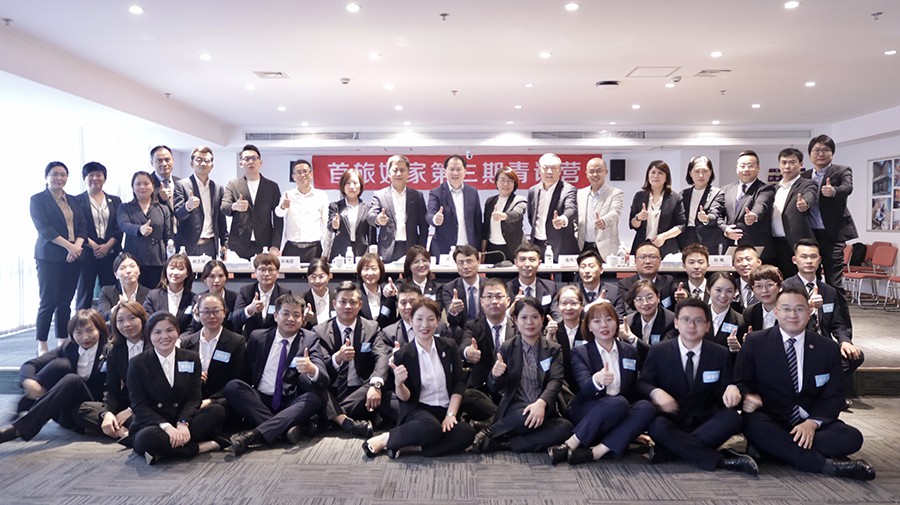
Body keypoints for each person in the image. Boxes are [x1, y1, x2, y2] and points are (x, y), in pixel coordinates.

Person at [735, 287, 874, 480]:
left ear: (809, 312)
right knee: (753, 424)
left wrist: (812, 423)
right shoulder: (755, 342)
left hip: (810, 422)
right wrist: (748, 396)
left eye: (799, 309)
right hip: (772, 419)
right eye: (786, 309)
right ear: (776, 312)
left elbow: (834, 395)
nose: (792, 315)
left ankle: (772, 450)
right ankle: (826, 466)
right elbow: (741, 382)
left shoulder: (827, 348)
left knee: (851, 437)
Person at [638, 298, 757, 474]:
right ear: (676, 323)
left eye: (698, 320)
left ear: (707, 326)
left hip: (706, 420)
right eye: (686, 319)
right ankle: (721, 460)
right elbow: (643, 382)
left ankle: (671, 450)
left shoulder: (720, 353)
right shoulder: (659, 351)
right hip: (672, 419)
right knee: (657, 426)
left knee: (733, 418)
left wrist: (731, 388)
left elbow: (725, 386)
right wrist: (656, 392)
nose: (691, 325)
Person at [362, 298, 475, 458]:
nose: (424, 325)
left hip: (445, 408)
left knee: (466, 433)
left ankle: (411, 447)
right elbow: (405, 398)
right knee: (430, 428)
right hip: (419, 410)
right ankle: (385, 438)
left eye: (430, 319)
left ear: (438, 321)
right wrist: (399, 383)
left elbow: (459, 383)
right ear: (411, 320)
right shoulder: (403, 354)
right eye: (419, 319)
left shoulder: (449, 346)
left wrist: (450, 414)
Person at [548, 301, 656, 465]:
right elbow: (584, 388)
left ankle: (595, 452)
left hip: (619, 409)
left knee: (646, 407)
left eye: (609, 319)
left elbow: (633, 389)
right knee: (617, 402)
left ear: (616, 323)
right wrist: (596, 380)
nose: (604, 325)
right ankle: (569, 445)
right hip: (587, 409)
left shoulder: (630, 351)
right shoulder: (580, 352)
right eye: (597, 321)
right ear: (589, 327)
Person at [225, 294, 328, 456]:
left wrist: (311, 369)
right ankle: (284, 429)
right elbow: (245, 372)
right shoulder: (258, 337)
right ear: (275, 316)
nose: (291, 319)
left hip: (289, 401)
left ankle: (252, 435)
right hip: (261, 399)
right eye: (286, 313)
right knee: (233, 387)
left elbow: (323, 377)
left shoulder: (309, 339)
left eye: (296, 315)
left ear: (302, 319)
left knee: (313, 399)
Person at [472, 297, 573, 454]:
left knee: (565, 428)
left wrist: (541, 403)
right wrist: (495, 375)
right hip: (516, 408)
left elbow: (555, 381)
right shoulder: (507, 347)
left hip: (544, 409)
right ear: (515, 320)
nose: (529, 322)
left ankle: (502, 442)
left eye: (535, 317)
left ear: (542, 319)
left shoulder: (553, 349)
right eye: (524, 317)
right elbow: (494, 387)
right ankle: (492, 432)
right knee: (525, 414)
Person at [128, 312, 227, 464]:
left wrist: (183, 423)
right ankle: (198, 448)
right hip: (155, 424)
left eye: (169, 330)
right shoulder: (137, 363)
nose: (164, 336)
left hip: (183, 419)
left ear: (177, 331)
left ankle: (164, 451)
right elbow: (139, 405)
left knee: (217, 411)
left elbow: (194, 398)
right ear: (149, 335)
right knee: (146, 439)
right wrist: (167, 427)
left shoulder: (191, 358)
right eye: (157, 332)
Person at [0, 310, 108, 445]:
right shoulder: (69, 347)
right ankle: (28, 406)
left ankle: (18, 429)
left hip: (89, 411)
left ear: (100, 330)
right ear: (72, 334)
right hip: (63, 411)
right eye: (78, 333)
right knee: (60, 365)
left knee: (72, 379)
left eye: (90, 330)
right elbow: (31, 364)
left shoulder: (109, 349)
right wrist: (29, 381)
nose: (85, 337)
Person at [784, 239, 862, 408]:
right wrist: (808, 307)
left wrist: (845, 341)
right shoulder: (786, 288)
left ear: (819, 260)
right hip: (798, 344)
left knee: (855, 356)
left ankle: (820, 393)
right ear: (794, 260)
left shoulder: (829, 291)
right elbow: (785, 322)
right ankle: (826, 396)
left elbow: (838, 324)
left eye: (813, 257)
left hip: (824, 345)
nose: (809, 261)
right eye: (804, 256)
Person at [313, 281, 390, 436]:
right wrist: (337, 359)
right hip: (332, 388)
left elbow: (382, 356)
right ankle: (346, 422)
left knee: (379, 382)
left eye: (353, 302)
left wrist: (375, 385)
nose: (347, 306)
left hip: (360, 388)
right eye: (342, 302)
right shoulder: (320, 331)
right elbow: (321, 368)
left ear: (360, 305)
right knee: (313, 383)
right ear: (334, 304)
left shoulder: (372, 328)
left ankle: (328, 418)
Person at [31, 161, 87, 354]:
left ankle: (62, 339)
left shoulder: (73, 200)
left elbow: (83, 226)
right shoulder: (38, 199)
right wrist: (70, 247)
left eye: (63, 174)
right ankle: (42, 342)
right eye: (54, 174)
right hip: (49, 256)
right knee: (48, 301)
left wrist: (76, 247)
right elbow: (45, 229)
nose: (59, 178)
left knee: (65, 301)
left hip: (74, 255)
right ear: (46, 176)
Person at [802, 134, 859, 292]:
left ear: (832, 153)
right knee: (811, 278)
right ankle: (815, 308)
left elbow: (847, 187)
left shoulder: (842, 170)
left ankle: (839, 309)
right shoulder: (804, 176)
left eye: (825, 150)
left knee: (834, 280)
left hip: (833, 234)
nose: (821, 153)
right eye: (816, 150)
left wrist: (833, 191)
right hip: (810, 234)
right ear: (810, 154)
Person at [460, 278, 515, 422]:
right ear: (482, 302)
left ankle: (493, 423)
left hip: (510, 389)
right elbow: (464, 344)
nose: (494, 301)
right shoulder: (473, 326)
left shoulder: (518, 327)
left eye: (499, 296)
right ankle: (505, 420)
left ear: (508, 301)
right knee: (466, 396)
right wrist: (468, 352)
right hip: (482, 390)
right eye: (489, 297)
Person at [179, 293, 247, 404]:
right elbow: (181, 377)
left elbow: (237, 379)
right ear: (198, 313)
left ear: (224, 313)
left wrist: (212, 400)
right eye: (206, 312)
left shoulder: (236, 341)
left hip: (222, 400)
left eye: (216, 311)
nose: (211, 316)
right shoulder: (186, 342)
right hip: (191, 399)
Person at [97, 301, 148, 443]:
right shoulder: (115, 350)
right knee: (92, 413)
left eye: (132, 318)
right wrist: (107, 413)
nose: (126, 324)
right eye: (120, 320)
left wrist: (131, 410)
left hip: (155, 403)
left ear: (142, 319)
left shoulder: (155, 344)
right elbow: (111, 388)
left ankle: (129, 435)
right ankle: (125, 433)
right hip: (128, 400)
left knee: (140, 421)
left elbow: (159, 387)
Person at [221, 144, 284, 260]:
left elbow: (278, 219)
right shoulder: (233, 184)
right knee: (239, 272)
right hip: (239, 243)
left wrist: (275, 245)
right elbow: (224, 208)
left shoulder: (272, 187)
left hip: (265, 243)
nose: (251, 162)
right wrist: (235, 206)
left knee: (265, 271)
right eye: (246, 159)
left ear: (260, 162)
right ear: (241, 163)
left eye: (254, 158)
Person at [74, 161, 122, 310]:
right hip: (87, 252)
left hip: (110, 252)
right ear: (84, 178)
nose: (95, 178)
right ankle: (81, 322)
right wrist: (94, 246)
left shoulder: (115, 200)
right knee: (84, 291)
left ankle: (110, 320)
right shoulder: (76, 201)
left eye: (99, 175)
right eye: (91, 175)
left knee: (110, 291)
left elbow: (119, 226)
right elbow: (77, 227)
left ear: (104, 178)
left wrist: (107, 246)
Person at [765, 148, 818, 278]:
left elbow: (810, 195)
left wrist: (805, 203)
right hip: (774, 244)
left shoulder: (807, 184)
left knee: (799, 282)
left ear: (801, 165)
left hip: (796, 244)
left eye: (792, 162)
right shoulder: (773, 188)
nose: (787, 166)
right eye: (784, 162)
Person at [367, 154, 429, 262]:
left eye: (402, 170)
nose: (399, 174)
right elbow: (370, 216)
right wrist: (378, 219)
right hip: (387, 249)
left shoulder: (417, 196)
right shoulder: (380, 195)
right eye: (395, 170)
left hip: (412, 248)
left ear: (408, 173)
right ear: (388, 173)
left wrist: (421, 249)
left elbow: (424, 225)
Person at [117, 170, 173, 288]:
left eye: (146, 183)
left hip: (157, 260)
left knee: (156, 293)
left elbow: (168, 235)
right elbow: (123, 225)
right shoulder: (125, 207)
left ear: (153, 187)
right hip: (134, 259)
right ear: (133, 188)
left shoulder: (163, 209)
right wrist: (139, 229)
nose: (142, 187)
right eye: (138, 184)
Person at [173, 146, 228, 258]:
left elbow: (221, 219)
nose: (203, 164)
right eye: (199, 160)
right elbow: (178, 214)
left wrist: (224, 243)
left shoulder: (217, 188)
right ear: (191, 164)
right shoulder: (181, 185)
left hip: (210, 244)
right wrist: (188, 206)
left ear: (212, 166)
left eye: (207, 161)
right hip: (188, 244)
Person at [426, 154, 483, 256]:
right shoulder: (436, 192)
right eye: (451, 169)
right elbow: (429, 214)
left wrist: (478, 249)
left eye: (459, 169)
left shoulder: (472, 192)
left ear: (465, 171)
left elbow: (477, 223)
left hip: (468, 248)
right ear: (445, 171)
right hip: (444, 248)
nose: (455, 173)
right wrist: (435, 219)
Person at [526, 153, 579, 261]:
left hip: (561, 246)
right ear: (540, 170)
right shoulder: (533, 190)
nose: (549, 171)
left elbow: (571, 209)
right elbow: (531, 217)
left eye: (554, 168)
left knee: (563, 273)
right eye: (545, 168)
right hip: (537, 245)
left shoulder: (568, 189)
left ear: (560, 170)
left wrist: (562, 220)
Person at [628, 160, 686, 258]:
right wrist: (638, 217)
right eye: (653, 172)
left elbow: (681, 225)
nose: (656, 176)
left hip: (666, 248)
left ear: (666, 177)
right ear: (648, 175)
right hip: (642, 246)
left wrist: (664, 236)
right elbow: (632, 224)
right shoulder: (639, 196)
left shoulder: (675, 198)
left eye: (660, 173)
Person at [719, 150, 775, 249]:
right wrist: (725, 229)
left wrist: (754, 215)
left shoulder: (766, 189)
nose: (746, 169)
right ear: (737, 169)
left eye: (750, 166)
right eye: (742, 166)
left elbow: (761, 205)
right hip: (730, 245)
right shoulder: (725, 189)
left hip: (755, 245)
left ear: (758, 168)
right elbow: (718, 215)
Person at [276, 159, 329, 261]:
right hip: (292, 247)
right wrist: (283, 206)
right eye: (298, 172)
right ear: (293, 177)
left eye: (305, 171)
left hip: (314, 248)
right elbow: (279, 213)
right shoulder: (288, 195)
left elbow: (325, 223)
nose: (302, 175)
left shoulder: (321, 196)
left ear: (311, 174)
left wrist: (326, 250)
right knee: (289, 272)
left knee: (315, 272)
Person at [231, 253, 293, 338]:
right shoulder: (246, 291)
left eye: (271, 270)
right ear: (255, 272)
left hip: (275, 339)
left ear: (277, 272)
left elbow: (288, 319)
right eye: (262, 269)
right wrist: (250, 309)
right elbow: (235, 319)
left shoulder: (284, 293)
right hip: (251, 340)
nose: (266, 274)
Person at [383, 282, 455, 348]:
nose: (408, 307)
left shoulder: (439, 327)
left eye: (412, 302)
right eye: (403, 303)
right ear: (397, 305)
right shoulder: (389, 333)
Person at [577, 158, 624, 259]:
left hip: (606, 248)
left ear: (606, 172)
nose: (595, 174)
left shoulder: (616, 193)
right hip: (583, 246)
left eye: (598, 171)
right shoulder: (580, 193)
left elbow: (616, 212)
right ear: (586, 174)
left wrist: (604, 221)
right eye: (591, 171)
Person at [678, 156, 726, 255]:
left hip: (708, 239)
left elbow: (715, 213)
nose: (701, 175)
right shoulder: (683, 194)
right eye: (697, 171)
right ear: (690, 173)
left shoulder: (717, 193)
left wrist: (706, 218)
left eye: (705, 171)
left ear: (710, 172)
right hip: (686, 237)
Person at [328, 168, 376, 261]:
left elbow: (371, 236)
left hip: (362, 253)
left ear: (360, 186)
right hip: (340, 253)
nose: (352, 186)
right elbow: (330, 226)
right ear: (342, 185)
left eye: (355, 183)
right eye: (348, 183)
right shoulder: (335, 206)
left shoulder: (368, 208)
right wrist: (334, 225)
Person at [481, 167, 527, 262]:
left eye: (510, 181)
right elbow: (485, 228)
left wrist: (504, 216)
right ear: (496, 182)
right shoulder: (490, 202)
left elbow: (517, 214)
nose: (506, 184)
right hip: (492, 249)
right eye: (502, 180)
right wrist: (482, 251)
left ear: (515, 184)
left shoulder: (519, 200)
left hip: (512, 249)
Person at [142, 253, 197, 333]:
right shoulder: (153, 296)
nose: (175, 272)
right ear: (166, 271)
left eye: (180, 269)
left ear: (187, 273)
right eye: (172, 268)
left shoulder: (193, 298)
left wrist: (180, 339)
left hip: (183, 340)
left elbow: (192, 326)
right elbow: (147, 321)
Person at [624, 280, 676, 363]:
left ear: (658, 297)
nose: (645, 303)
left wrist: (632, 339)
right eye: (639, 299)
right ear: (634, 302)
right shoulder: (629, 321)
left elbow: (660, 353)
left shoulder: (671, 320)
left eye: (649, 297)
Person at [617, 242, 676, 313]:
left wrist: (684, 294)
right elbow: (629, 310)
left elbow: (679, 293)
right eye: (642, 257)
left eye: (653, 257)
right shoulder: (625, 284)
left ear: (660, 262)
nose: (648, 261)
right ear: (635, 262)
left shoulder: (668, 281)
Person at [507, 242, 560, 320]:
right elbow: (498, 318)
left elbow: (557, 315)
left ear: (539, 263)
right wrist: (511, 310)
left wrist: (554, 324)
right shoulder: (506, 289)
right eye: (522, 259)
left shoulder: (551, 287)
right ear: (516, 262)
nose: (527, 264)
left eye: (532, 260)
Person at [551, 285, 587, 399]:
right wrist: (549, 337)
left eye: (573, 303)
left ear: (582, 305)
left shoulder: (590, 330)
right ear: (558, 306)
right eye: (563, 303)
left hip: (586, 384)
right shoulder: (553, 330)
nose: (568, 307)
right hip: (560, 388)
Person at [440, 245, 484, 331]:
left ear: (478, 262)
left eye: (469, 261)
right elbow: (452, 321)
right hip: (462, 331)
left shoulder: (489, 285)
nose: (465, 266)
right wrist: (453, 311)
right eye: (460, 263)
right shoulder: (449, 288)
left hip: (485, 330)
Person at [704, 272, 748, 355]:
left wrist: (737, 349)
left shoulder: (741, 321)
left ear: (735, 292)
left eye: (729, 291)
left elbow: (744, 356)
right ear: (708, 290)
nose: (723, 295)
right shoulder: (698, 315)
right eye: (718, 290)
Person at [98, 253, 149, 321]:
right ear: (116, 274)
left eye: (132, 266)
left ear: (139, 270)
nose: (128, 271)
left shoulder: (149, 294)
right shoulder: (107, 292)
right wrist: (116, 309)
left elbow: (150, 317)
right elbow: (102, 316)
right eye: (122, 268)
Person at [576, 249, 623, 318]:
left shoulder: (614, 292)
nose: (586, 271)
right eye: (583, 267)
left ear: (601, 269)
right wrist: (590, 307)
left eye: (591, 266)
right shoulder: (572, 292)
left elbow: (619, 318)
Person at [356, 253, 398, 328]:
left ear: (380, 271)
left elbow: (393, 323)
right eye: (366, 269)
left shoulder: (388, 295)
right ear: (360, 273)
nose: (370, 273)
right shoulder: (355, 295)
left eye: (374, 269)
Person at [742, 264, 783, 331]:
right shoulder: (750, 312)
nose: (764, 290)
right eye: (758, 286)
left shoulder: (789, 311)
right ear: (752, 289)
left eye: (769, 285)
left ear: (779, 286)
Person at [149, 145, 179, 233]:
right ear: (152, 163)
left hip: (180, 235)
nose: (164, 164)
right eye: (159, 160)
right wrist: (160, 198)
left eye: (167, 159)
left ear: (173, 160)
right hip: (158, 235)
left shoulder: (180, 182)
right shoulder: (146, 183)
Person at [302, 258, 335, 327]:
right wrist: (304, 320)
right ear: (307, 277)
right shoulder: (301, 300)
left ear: (329, 276)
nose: (317, 281)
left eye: (321, 276)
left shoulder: (337, 299)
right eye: (313, 277)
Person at [731, 244, 762, 311]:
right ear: (733, 264)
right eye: (739, 260)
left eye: (748, 259)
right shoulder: (731, 285)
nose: (744, 264)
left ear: (759, 262)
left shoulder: (767, 286)